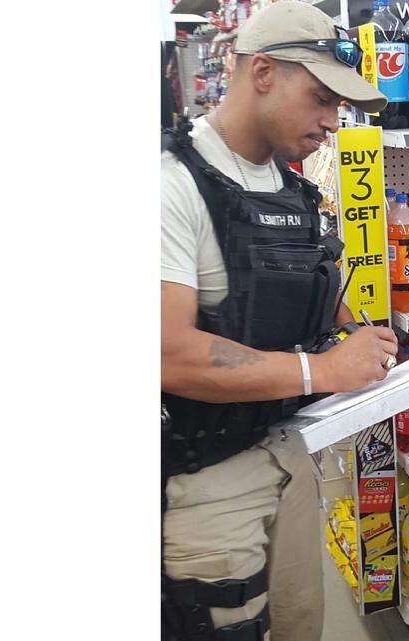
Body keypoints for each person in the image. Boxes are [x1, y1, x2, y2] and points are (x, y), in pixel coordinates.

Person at [160, 4, 396, 641]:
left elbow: (305, 285)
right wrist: (325, 369)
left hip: (292, 456)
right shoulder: (172, 186)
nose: (331, 122)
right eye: (320, 99)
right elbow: (167, 354)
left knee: (301, 626)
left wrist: (357, 333)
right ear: (262, 71)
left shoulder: (291, 185)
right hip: (208, 482)